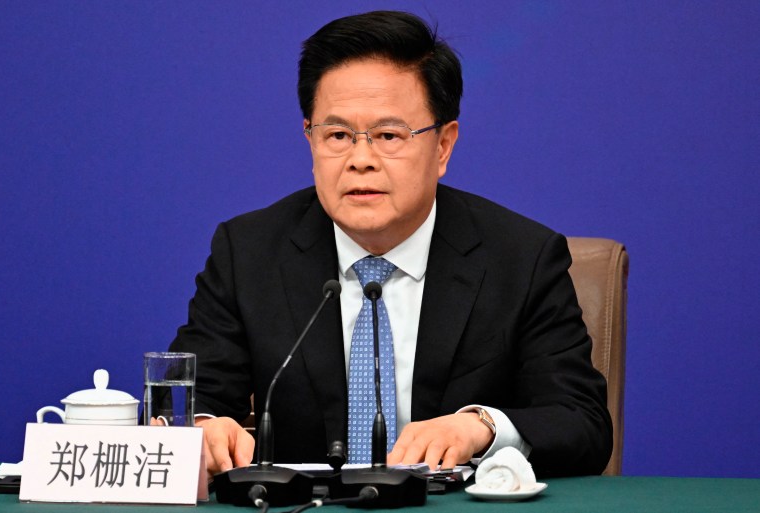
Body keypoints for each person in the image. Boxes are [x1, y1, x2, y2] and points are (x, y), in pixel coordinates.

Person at [169, 10, 612, 478]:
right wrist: (205, 426)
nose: (361, 159)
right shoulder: (249, 252)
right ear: (310, 138)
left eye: (387, 136)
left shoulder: (521, 259)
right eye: (338, 135)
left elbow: (582, 423)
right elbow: (194, 396)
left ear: (443, 146)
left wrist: (480, 428)